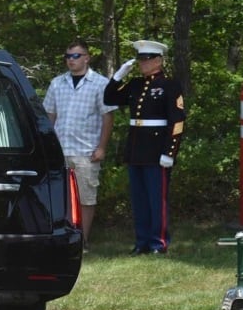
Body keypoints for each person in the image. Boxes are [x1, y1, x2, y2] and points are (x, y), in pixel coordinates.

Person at [104, 40, 186, 255]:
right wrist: (117, 77)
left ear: (158, 60)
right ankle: (142, 242)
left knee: (156, 199)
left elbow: (177, 121)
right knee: (139, 199)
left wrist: (170, 152)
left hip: (157, 150)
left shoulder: (169, 85)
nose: (141, 63)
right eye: (140, 59)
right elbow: (109, 97)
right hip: (136, 148)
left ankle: (158, 242)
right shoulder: (135, 85)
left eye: (146, 59)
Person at [43, 40, 117, 251]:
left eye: (75, 56)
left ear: (86, 57)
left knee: (85, 197)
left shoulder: (100, 83)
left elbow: (107, 117)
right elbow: (50, 115)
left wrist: (101, 147)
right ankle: (61, 239)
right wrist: (48, 146)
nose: (71, 60)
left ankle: (81, 241)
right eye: (68, 56)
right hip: (60, 150)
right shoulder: (57, 83)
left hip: (86, 151)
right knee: (60, 198)